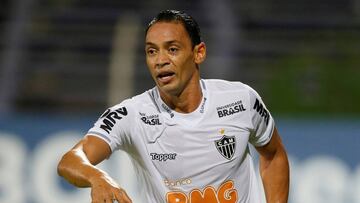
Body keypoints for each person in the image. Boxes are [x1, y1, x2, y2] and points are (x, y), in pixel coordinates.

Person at [57, 9, 289, 203]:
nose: (160, 60)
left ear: (199, 53)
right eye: (151, 51)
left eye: (173, 49)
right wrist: (97, 177)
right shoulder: (131, 115)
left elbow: (274, 155)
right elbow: (71, 160)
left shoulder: (241, 100)